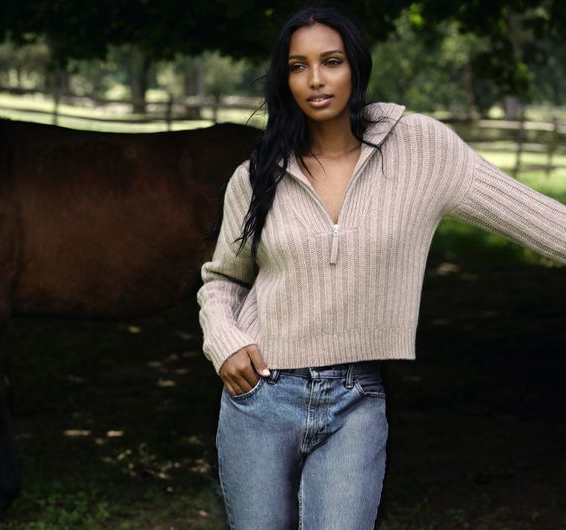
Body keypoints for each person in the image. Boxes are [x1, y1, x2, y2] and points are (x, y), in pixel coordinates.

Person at [196, 5, 566, 530]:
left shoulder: (420, 149)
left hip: (356, 400)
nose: (316, 80)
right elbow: (224, 278)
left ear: (357, 69)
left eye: (332, 61)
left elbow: (543, 219)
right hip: (259, 396)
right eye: (298, 66)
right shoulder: (257, 176)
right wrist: (225, 341)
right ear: (284, 78)